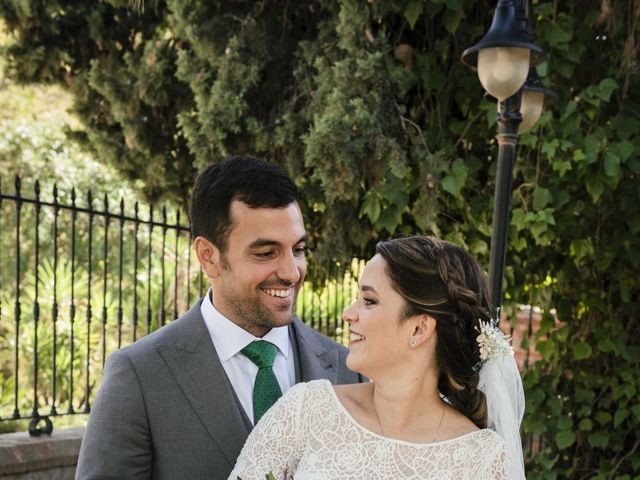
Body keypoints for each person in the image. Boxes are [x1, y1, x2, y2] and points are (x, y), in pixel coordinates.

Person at [76, 156, 363, 480]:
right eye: (266, 253)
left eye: (297, 249)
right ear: (208, 257)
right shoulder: (140, 376)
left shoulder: (349, 370)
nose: (291, 272)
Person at [229, 235, 526, 480]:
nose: (348, 313)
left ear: (419, 327)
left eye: (369, 301)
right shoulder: (306, 410)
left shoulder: (482, 461)